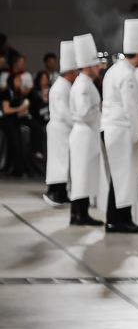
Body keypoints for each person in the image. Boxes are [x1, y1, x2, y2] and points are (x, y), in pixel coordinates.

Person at [99, 20, 138, 233]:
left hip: (111, 128)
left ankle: (119, 218)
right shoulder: (127, 74)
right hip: (120, 129)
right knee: (123, 175)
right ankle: (117, 220)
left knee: (119, 176)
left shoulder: (114, 70)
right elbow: (130, 108)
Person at [67, 34, 104, 226]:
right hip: (84, 134)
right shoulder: (83, 85)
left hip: (86, 134)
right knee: (82, 175)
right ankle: (80, 214)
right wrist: (100, 110)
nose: (99, 68)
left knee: (83, 175)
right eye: (96, 65)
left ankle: (79, 213)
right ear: (88, 67)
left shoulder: (85, 83)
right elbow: (84, 112)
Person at [43, 40, 78, 207]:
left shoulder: (65, 85)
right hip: (59, 129)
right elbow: (64, 112)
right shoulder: (60, 87)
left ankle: (61, 193)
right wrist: (77, 121)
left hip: (64, 129)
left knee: (63, 162)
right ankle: (54, 193)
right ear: (70, 72)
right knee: (59, 163)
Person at [1, 66, 31, 177]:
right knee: (15, 140)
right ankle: (18, 167)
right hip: (6, 121)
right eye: (18, 79)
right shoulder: (7, 92)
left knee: (20, 138)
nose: (20, 82)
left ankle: (18, 166)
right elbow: (6, 110)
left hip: (15, 120)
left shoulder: (18, 94)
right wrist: (20, 108)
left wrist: (24, 110)